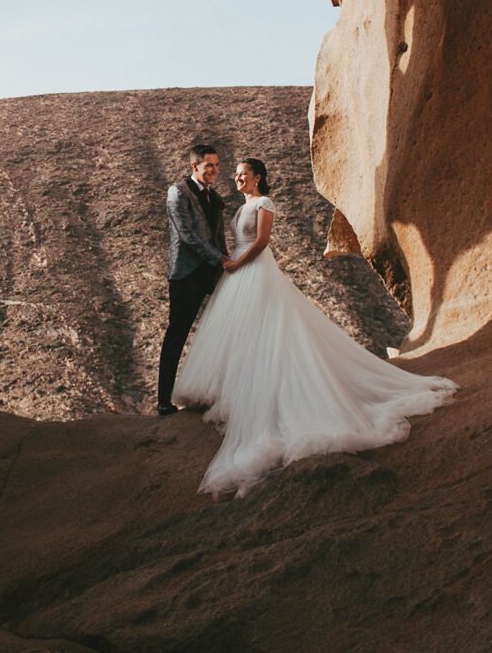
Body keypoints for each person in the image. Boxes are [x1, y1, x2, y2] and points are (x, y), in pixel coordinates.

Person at [173, 158, 458, 497]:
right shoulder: (239, 208)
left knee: (270, 330)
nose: (237, 177)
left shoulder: (265, 203)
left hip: (254, 271)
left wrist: (236, 263)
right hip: (237, 276)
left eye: (243, 173)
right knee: (244, 334)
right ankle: (234, 390)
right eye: (235, 173)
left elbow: (262, 241)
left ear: (258, 177)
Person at [157, 144, 228, 416]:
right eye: (209, 165)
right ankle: (164, 399)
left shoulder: (214, 196)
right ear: (194, 166)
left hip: (214, 274)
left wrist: (226, 262)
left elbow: (217, 235)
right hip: (186, 275)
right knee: (177, 334)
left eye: (217, 165)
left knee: (223, 330)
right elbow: (186, 234)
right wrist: (220, 259)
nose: (214, 170)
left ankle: (217, 391)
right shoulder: (178, 192)